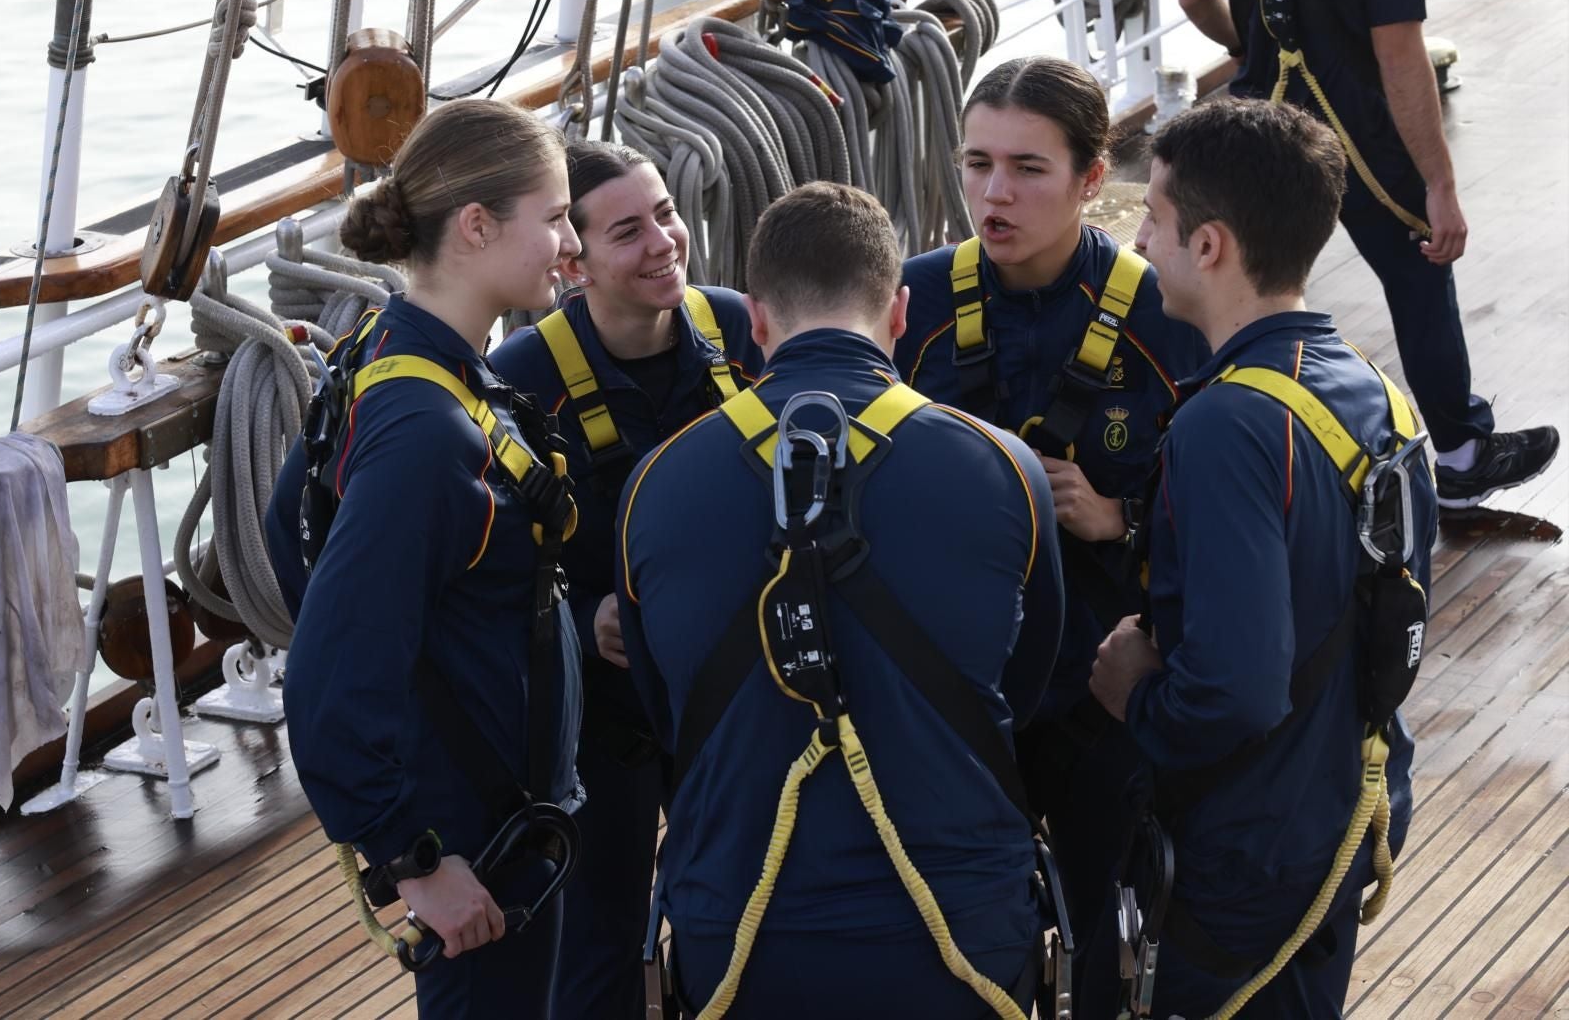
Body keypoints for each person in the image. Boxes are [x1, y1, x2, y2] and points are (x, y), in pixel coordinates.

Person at [616, 182, 1066, 1017]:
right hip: (956, 934)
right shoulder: (1003, 468)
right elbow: (1028, 680)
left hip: (741, 934)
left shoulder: (655, 482)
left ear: (754, 321)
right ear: (899, 313)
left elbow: (660, 707)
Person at [1088, 98, 1436, 1017]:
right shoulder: (1376, 394)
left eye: (1154, 223)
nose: (1141, 247)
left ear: (1209, 247)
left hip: (1250, 848)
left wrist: (1136, 694)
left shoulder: (1228, 425)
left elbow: (1236, 689)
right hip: (1342, 809)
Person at [264, 99, 584, 1018]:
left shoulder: (393, 350)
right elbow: (327, 678)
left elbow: (296, 525)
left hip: (496, 817)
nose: (571, 242)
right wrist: (416, 860)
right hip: (476, 849)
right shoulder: (427, 433)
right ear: (477, 227)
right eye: (555, 216)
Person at [890, 54, 1207, 973]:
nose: (995, 193)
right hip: (952, 697)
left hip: (1098, 696)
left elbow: (1227, 509)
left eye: (1029, 169)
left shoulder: (1163, 315)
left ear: (1092, 179)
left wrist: (1124, 519)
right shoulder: (906, 310)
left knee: (1108, 930)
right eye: (977, 163)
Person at [488, 138, 762, 1020]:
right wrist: (581, 614)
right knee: (598, 931)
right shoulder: (522, 380)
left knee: (745, 899)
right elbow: (491, 566)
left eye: (668, 215)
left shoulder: (736, 329)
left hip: (731, 690)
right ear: (575, 262)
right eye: (628, 232)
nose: (663, 244)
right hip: (602, 723)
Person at [1178, 0, 1558, 508]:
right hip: (1360, 129)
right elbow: (1398, 50)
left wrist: (1249, 44)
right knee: (1418, 277)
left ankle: (1223, 446)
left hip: (1262, 117)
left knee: (1237, 285)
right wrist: (1441, 185)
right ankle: (1461, 459)